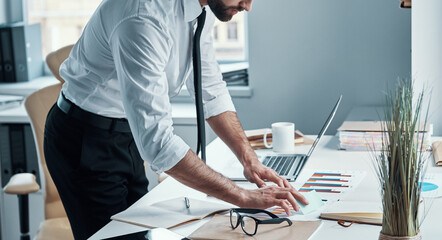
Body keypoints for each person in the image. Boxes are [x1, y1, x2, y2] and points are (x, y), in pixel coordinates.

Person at [44, 0, 308, 239]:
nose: (247, 6)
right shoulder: (142, 16)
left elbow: (210, 89)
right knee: (115, 237)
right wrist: (242, 196)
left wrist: (249, 160)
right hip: (85, 137)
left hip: (125, 133)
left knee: (136, 231)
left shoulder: (200, 9)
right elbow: (158, 143)